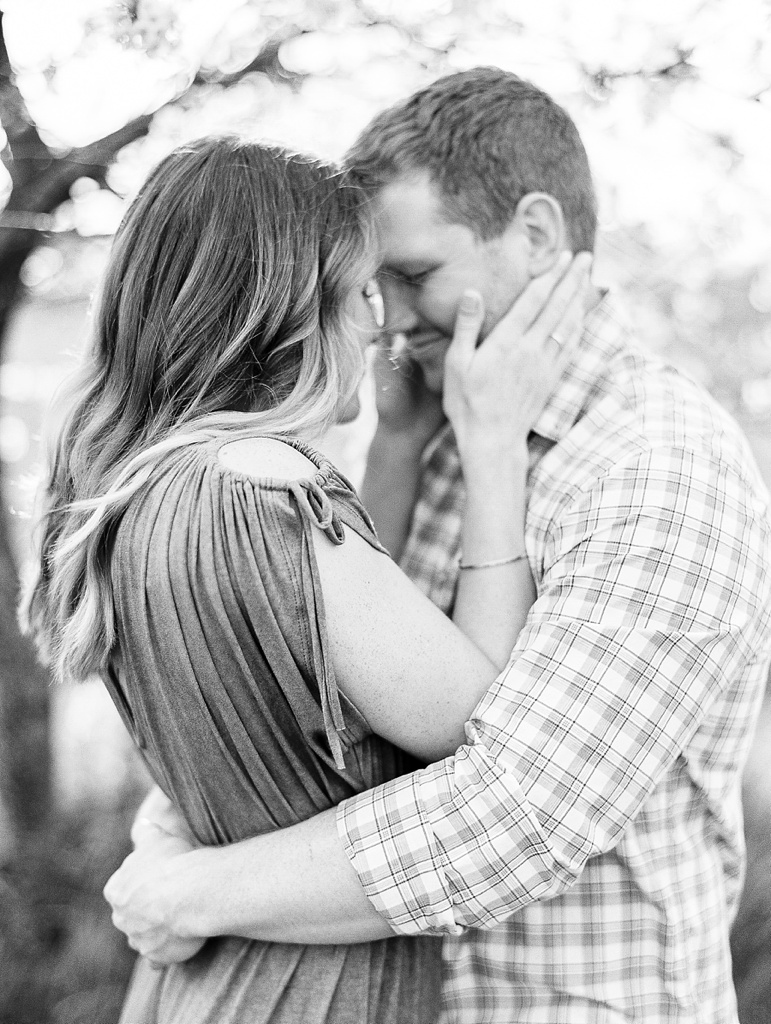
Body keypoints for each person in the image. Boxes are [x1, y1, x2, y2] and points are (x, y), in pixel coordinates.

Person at [103, 69, 771, 1023]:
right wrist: (174, 826)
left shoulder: (657, 466)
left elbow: (515, 818)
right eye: (371, 289)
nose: (389, 322)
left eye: (413, 277)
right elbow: (315, 704)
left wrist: (192, 889)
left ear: (535, 237)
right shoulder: (437, 425)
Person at [22, 134, 589, 1023]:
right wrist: (493, 448)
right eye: (361, 291)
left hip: (199, 986)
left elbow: (331, 637)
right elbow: (472, 720)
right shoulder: (268, 487)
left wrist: (397, 444)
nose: (381, 323)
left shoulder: (146, 488)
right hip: (310, 994)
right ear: (287, 311)